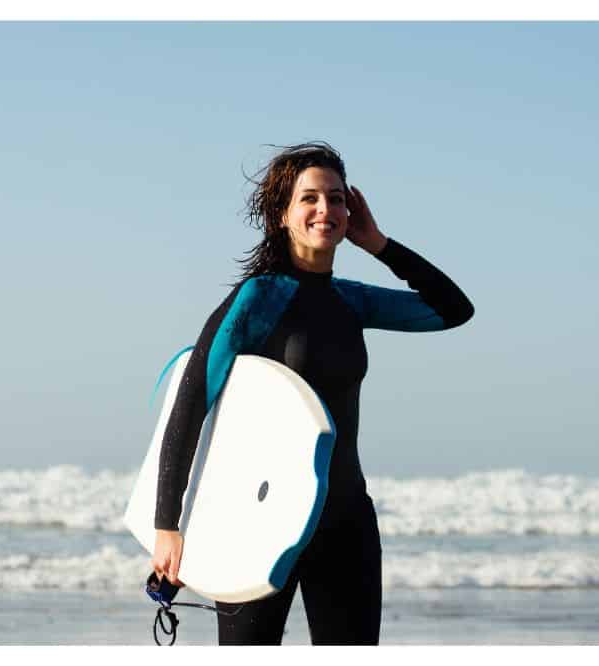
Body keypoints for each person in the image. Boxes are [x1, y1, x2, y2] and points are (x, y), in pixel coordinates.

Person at [151, 141, 474, 645]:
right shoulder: (258, 299)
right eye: (310, 198)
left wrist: (381, 245)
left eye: (337, 198)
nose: (326, 209)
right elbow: (191, 402)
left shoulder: (351, 299)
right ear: (282, 213)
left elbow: (454, 309)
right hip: (257, 520)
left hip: (344, 520)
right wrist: (166, 525)